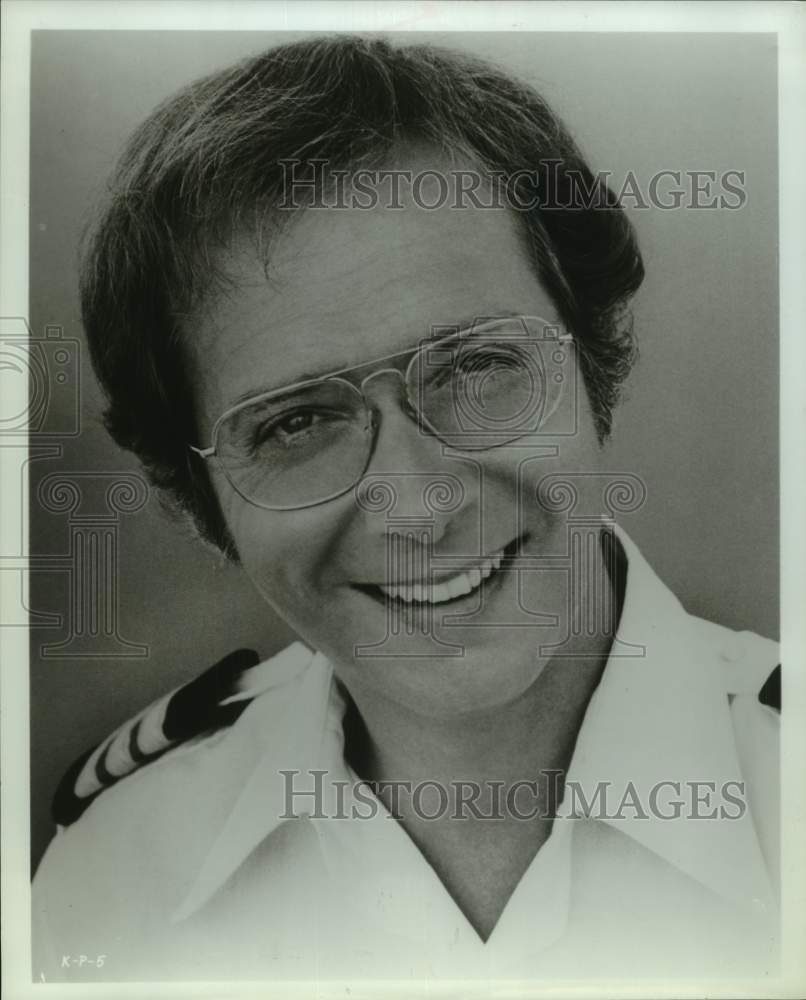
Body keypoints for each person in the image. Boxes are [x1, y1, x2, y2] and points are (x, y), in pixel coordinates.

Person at [31, 35, 780, 983]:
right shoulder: (115, 878)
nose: (420, 507)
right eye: (296, 423)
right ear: (201, 502)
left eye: (476, 366)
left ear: (590, 366)